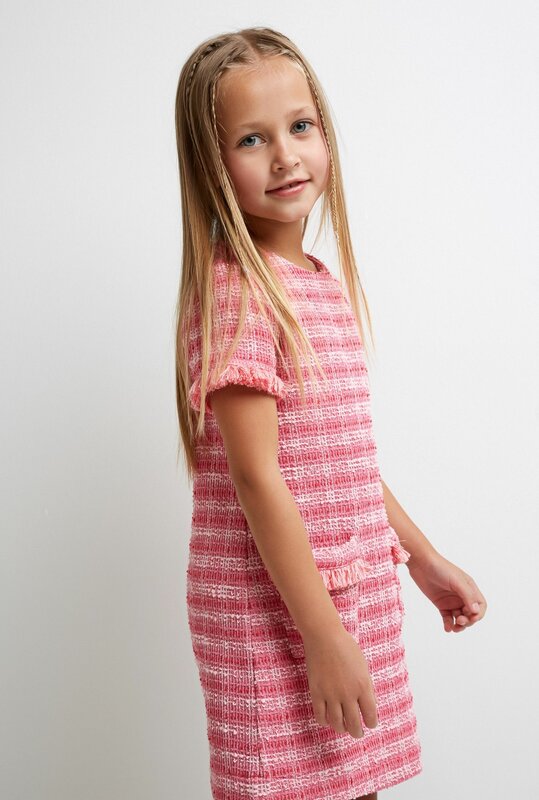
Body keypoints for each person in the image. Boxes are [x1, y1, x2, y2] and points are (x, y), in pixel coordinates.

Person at [173, 27, 487, 800]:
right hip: (280, 614)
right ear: (211, 164)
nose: (285, 156)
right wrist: (321, 636)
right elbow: (257, 477)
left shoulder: (313, 281)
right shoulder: (240, 294)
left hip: (347, 594)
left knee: (354, 783)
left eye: (299, 126)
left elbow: (338, 461)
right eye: (252, 139)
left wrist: (420, 557)